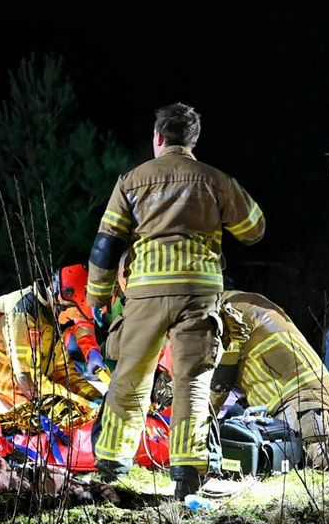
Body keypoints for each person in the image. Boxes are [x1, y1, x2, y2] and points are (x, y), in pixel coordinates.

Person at [87, 103, 265, 496]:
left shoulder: (131, 181)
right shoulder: (215, 180)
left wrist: (97, 295)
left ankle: (113, 464)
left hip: (146, 293)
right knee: (194, 381)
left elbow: (105, 244)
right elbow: (254, 228)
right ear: (193, 141)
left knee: (131, 374)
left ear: (158, 138)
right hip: (199, 292)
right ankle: (187, 473)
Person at [0, 265, 106, 430]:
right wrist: (82, 404)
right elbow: (28, 380)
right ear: (62, 300)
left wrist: (98, 399)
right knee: (26, 435)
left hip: (15, 386)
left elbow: (62, 371)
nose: (75, 320)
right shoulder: (22, 312)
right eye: (75, 314)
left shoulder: (52, 318)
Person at [215, 291, 329, 467]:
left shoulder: (228, 316)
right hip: (307, 392)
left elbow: (219, 383)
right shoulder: (245, 303)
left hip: (301, 398)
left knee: (315, 456)